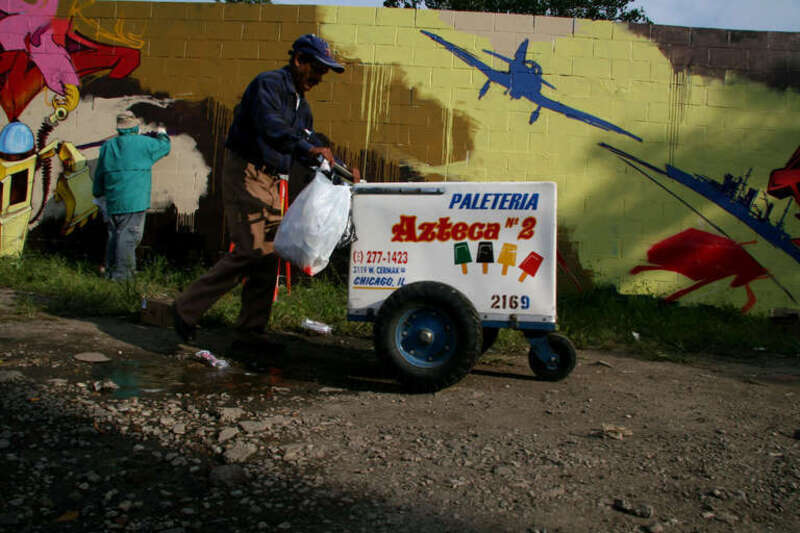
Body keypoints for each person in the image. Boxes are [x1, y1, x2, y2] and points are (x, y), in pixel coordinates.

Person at [172, 34, 359, 356]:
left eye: (323, 73)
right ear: (299, 60)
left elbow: (309, 143)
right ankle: (186, 308)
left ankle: (250, 333)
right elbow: (272, 127)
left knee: (271, 254)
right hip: (248, 171)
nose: (318, 78)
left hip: (272, 180)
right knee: (253, 249)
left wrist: (339, 166)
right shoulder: (269, 86)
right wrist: (309, 147)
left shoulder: (302, 106)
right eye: (316, 69)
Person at [92, 111, 170, 280]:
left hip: (112, 200)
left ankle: (110, 271)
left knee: (115, 235)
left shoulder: (108, 146)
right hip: (134, 201)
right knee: (128, 237)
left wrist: (98, 194)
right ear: (135, 126)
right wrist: (162, 133)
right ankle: (122, 276)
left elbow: (99, 175)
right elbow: (165, 147)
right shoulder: (144, 143)